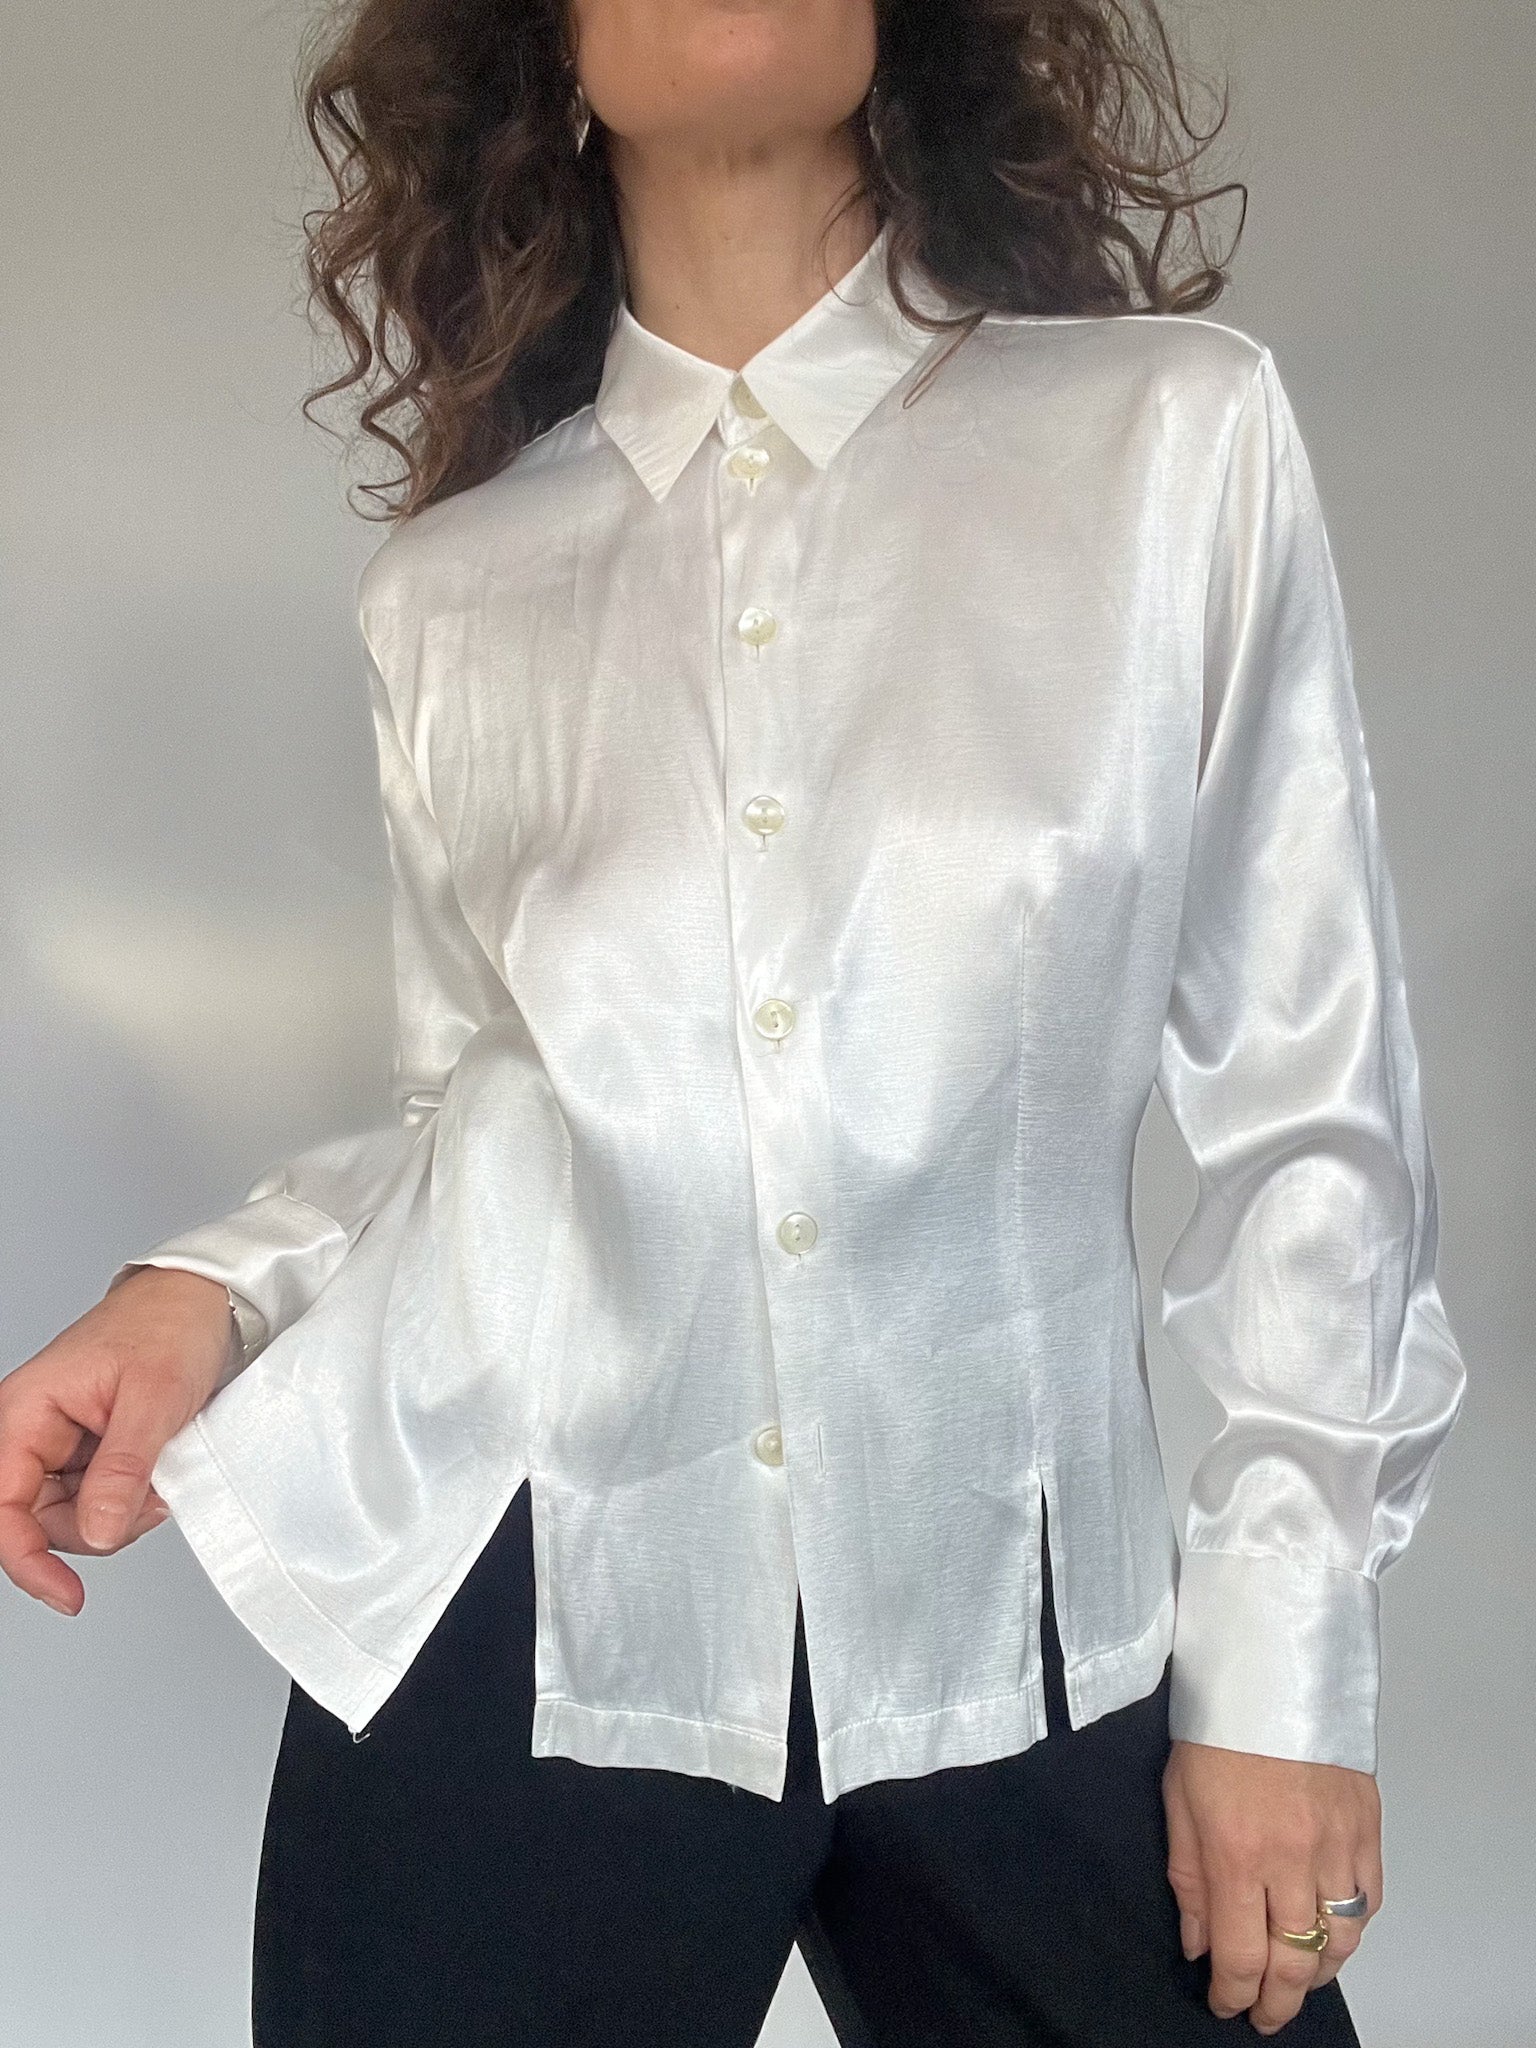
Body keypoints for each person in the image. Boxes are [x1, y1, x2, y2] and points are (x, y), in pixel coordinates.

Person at [1, 2, 1467, 2043]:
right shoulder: (455, 592)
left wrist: (1289, 1669)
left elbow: (1315, 1102)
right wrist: (216, 1292)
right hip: (530, 1603)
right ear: (539, 43)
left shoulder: (1169, 439)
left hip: (1032, 1607)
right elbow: (478, 1112)